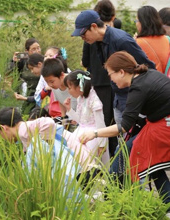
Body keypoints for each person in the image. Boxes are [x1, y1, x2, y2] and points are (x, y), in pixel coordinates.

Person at [79, 51, 170, 210]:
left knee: (145, 159)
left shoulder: (138, 88)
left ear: (121, 72)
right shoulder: (148, 75)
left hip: (164, 125)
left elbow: (123, 126)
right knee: (149, 163)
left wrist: (94, 133)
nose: (110, 79)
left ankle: (120, 200)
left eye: (110, 74)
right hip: (160, 123)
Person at [72, 10, 155, 126]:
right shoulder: (97, 42)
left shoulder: (121, 40)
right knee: (121, 140)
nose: (82, 38)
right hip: (119, 99)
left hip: (134, 100)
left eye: (83, 34)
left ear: (94, 26)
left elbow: (148, 67)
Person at [82, 0, 118, 157]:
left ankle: (104, 164)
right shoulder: (115, 34)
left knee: (101, 124)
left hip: (98, 85)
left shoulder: (90, 33)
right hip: (117, 84)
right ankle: (117, 164)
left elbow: (85, 62)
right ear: (113, 15)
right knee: (116, 125)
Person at [63, 70, 109, 167]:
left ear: (79, 87)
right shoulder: (81, 98)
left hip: (93, 135)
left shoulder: (94, 100)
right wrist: (69, 109)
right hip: (82, 131)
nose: (68, 91)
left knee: (89, 162)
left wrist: (101, 144)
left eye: (70, 88)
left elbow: (100, 123)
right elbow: (81, 120)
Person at [8, 38, 41, 114]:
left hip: (39, 96)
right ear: (27, 51)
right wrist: (13, 62)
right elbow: (11, 75)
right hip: (25, 97)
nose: (37, 51)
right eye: (33, 49)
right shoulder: (23, 62)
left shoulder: (43, 62)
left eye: (38, 48)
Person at [135, 5, 169, 74]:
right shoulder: (167, 39)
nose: (136, 23)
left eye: (136, 20)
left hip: (151, 82)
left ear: (142, 22)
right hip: (166, 80)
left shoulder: (138, 43)